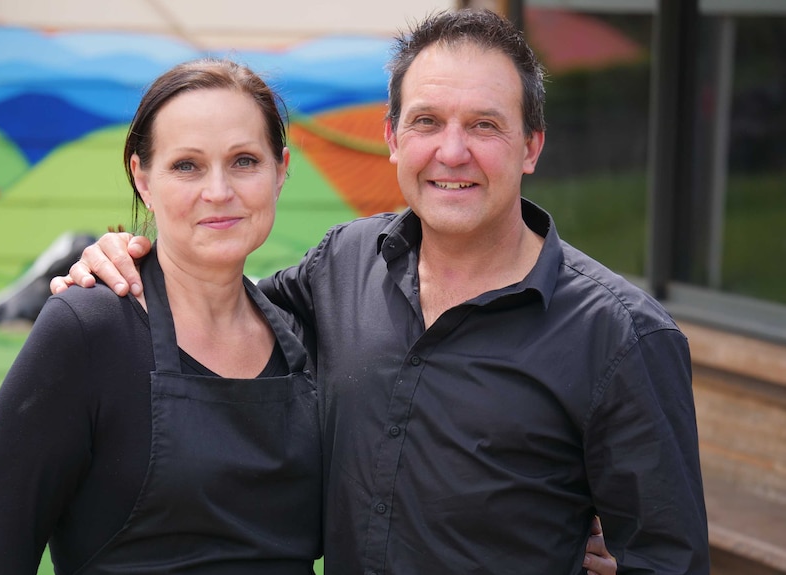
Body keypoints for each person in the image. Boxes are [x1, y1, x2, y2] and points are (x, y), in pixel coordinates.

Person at [54, 9, 705, 574]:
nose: (452, 152)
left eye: (484, 124)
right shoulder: (344, 263)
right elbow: (224, 307)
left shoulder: (621, 336)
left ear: (531, 146)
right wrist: (131, 256)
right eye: (427, 121)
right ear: (393, 139)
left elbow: (666, 557)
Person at [0, 59, 323, 574]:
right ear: (143, 179)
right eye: (187, 165)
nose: (219, 191)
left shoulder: (306, 334)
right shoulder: (85, 329)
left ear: (280, 170)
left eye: (245, 160)